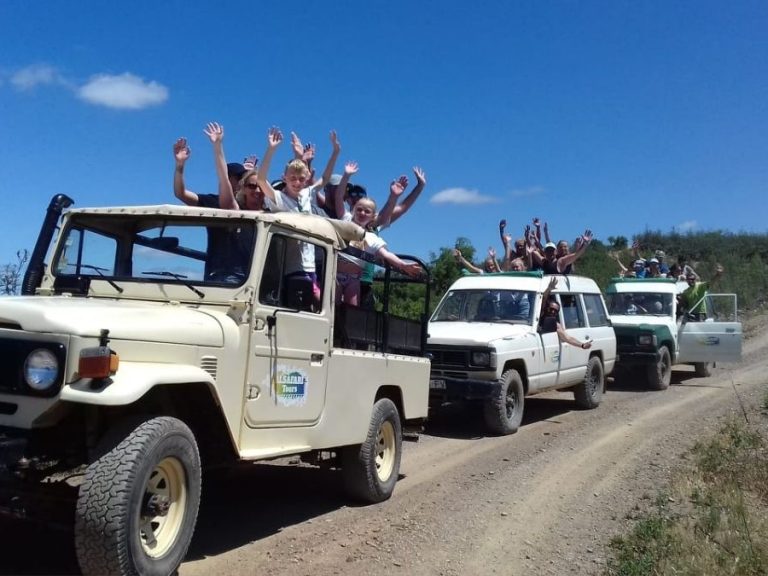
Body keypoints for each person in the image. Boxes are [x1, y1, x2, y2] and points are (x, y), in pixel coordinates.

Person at [255, 126, 341, 305]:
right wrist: (271, 150)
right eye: (292, 178)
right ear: (284, 177)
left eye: (301, 179)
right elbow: (261, 179)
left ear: (306, 178)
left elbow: (324, 179)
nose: (297, 182)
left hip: (309, 264)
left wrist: (335, 152)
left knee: (324, 302)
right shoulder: (278, 198)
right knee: (310, 300)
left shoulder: (305, 194)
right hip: (291, 266)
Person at [336, 196, 422, 305]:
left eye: (367, 211)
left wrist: (402, 264)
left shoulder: (371, 238)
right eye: (359, 209)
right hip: (335, 274)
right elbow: (338, 198)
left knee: (351, 310)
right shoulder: (345, 221)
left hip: (353, 278)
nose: (362, 213)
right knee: (333, 306)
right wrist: (346, 177)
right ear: (353, 210)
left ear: (373, 217)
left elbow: (386, 254)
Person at [538, 277, 592, 349]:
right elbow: (543, 299)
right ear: (546, 308)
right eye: (551, 309)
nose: (552, 312)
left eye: (555, 311)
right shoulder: (538, 315)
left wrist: (582, 345)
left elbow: (568, 338)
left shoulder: (555, 325)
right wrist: (549, 289)